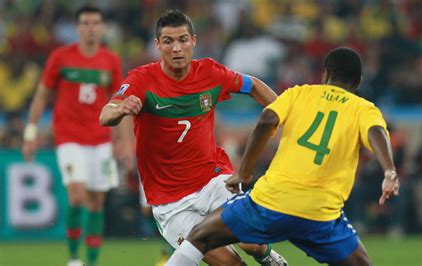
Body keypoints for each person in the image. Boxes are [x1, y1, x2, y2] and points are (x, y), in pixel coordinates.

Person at [166, 47, 401, 266]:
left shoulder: (299, 93)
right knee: (361, 263)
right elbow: (376, 132)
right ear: (358, 81)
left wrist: (244, 172)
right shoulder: (363, 108)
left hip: (271, 202)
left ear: (325, 74)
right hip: (320, 215)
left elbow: (268, 119)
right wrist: (389, 171)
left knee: (199, 236)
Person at [99, 10, 287, 266]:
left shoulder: (210, 73)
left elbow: (252, 85)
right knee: (231, 264)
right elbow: (105, 114)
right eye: (168, 41)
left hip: (213, 180)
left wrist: (287, 117)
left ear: (193, 41)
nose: (176, 48)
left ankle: (266, 256)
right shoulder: (142, 79)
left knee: (252, 243)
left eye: (182, 40)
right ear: (158, 45)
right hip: (170, 203)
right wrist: (120, 109)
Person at [22, 5, 132, 266]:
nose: (91, 27)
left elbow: (119, 102)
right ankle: (73, 258)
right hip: (69, 138)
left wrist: (125, 141)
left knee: (96, 202)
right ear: (78, 27)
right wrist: (30, 132)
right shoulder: (61, 57)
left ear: (102, 28)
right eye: (85, 23)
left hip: (100, 140)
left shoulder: (110, 61)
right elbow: (41, 94)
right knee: (77, 195)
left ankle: (91, 262)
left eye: (95, 23)